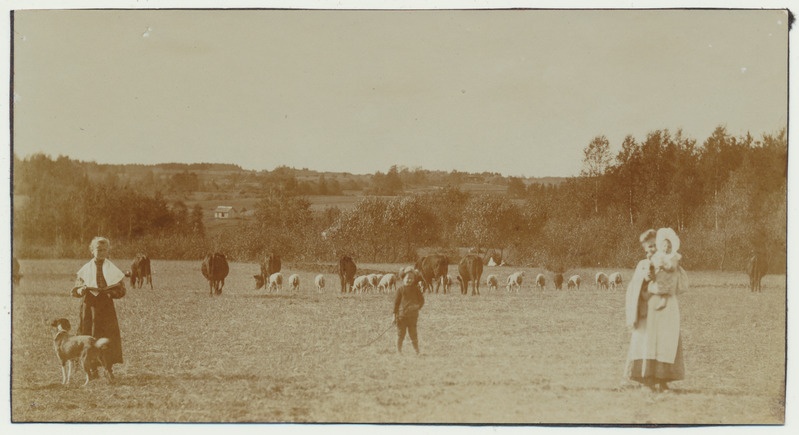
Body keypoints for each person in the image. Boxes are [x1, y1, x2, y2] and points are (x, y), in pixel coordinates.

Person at [624, 229, 687, 392]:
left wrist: (672, 270)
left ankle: (664, 379)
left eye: (653, 246)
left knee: (666, 341)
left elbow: (680, 284)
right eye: (647, 248)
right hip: (648, 309)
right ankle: (648, 379)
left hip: (667, 308)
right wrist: (644, 280)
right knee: (647, 341)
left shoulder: (670, 260)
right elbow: (633, 287)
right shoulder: (643, 265)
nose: (651, 250)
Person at [71, 236, 127, 379]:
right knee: (89, 335)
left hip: (106, 307)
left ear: (108, 251)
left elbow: (121, 290)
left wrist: (111, 293)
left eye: (104, 250)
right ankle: (92, 369)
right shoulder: (85, 270)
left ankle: (108, 368)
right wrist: (81, 290)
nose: (101, 252)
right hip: (89, 307)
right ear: (92, 251)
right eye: (98, 249)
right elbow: (76, 290)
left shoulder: (112, 269)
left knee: (107, 335)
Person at [649, 228, 684, 311]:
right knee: (655, 283)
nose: (666, 248)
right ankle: (655, 299)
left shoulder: (672, 256)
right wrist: (654, 265)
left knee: (665, 288)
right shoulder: (659, 255)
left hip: (669, 276)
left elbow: (672, 268)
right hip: (660, 275)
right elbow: (654, 261)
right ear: (661, 246)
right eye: (664, 246)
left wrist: (664, 267)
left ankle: (664, 301)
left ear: (672, 248)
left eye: (669, 247)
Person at [393, 270, 425, 355]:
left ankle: (417, 351)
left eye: (411, 278)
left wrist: (417, 306)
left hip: (413, 317)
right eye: (407, 278)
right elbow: (396, 304)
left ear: (414, 279)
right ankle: (398, 351)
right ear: (403, 278)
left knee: (413, 334)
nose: (409, 280)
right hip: (401, 317)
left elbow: (421, 301)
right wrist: (394, 316)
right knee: (400, 334)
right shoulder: (400, 290)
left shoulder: (416, 289)